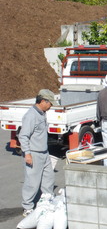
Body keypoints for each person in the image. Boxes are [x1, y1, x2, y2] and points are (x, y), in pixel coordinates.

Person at [19, 89, 58, 217]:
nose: (51, 106)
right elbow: (23, 136)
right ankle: (28, 206)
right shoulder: (31, 115)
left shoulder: (42, 113)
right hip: (34, 153)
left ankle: (47, 200)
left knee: (48, 178)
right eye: (50, 103)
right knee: (32, 181)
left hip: (44, 152)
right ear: (42, 101)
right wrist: (27, 154)